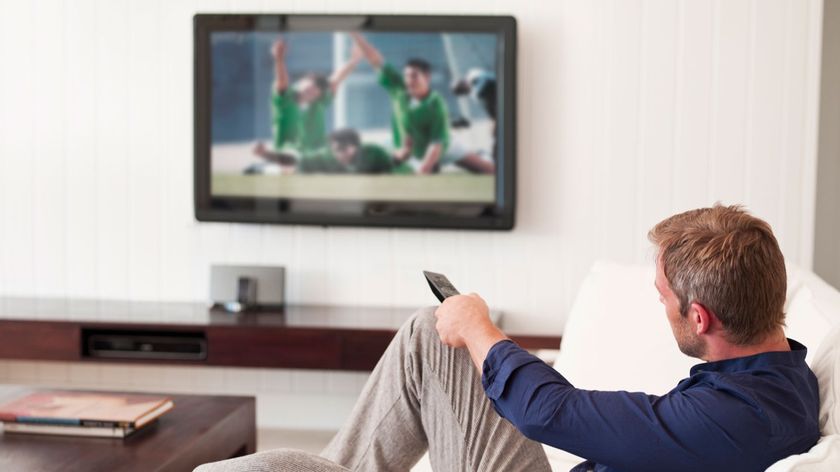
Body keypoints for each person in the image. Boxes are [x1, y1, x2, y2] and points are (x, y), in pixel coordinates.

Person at [195, 204, 820, 472]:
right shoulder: (774, 376)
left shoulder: (734, 417)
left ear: (701, 318)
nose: (659, 305)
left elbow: (555, 412)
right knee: (430, 334)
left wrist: (480, 328)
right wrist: (472, 331)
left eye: (663, 297)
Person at [351, 33, 495, 175]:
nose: (409, 80)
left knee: (490, 171)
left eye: (414, 76)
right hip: (410, 153)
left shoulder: (435, 103)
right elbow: (375, 59)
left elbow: (437, 144)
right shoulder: (398, 88)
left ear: (427, 77)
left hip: (443, 148)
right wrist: (355, 33)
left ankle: (482, 156)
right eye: (406, 76)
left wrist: (424, 170)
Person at [260, 37, 363, 156]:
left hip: (317, 155)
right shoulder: (286, 99)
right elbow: (282, 81)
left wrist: (353, 61)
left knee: (347, 140)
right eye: (309, 87)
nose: (310, 92)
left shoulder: (318, 102)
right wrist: (279, 59)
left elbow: (335, 79)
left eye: (314, 92)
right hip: (289, 155)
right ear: (302, 81)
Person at [254, 128, 410, 175]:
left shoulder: (374, 153)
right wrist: (266, 154)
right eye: (336, 150)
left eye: (343, 149)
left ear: (357, 146)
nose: (339, 155)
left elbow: (393, 162)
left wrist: (404, 152)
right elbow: (296, 159)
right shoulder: (326, 156)